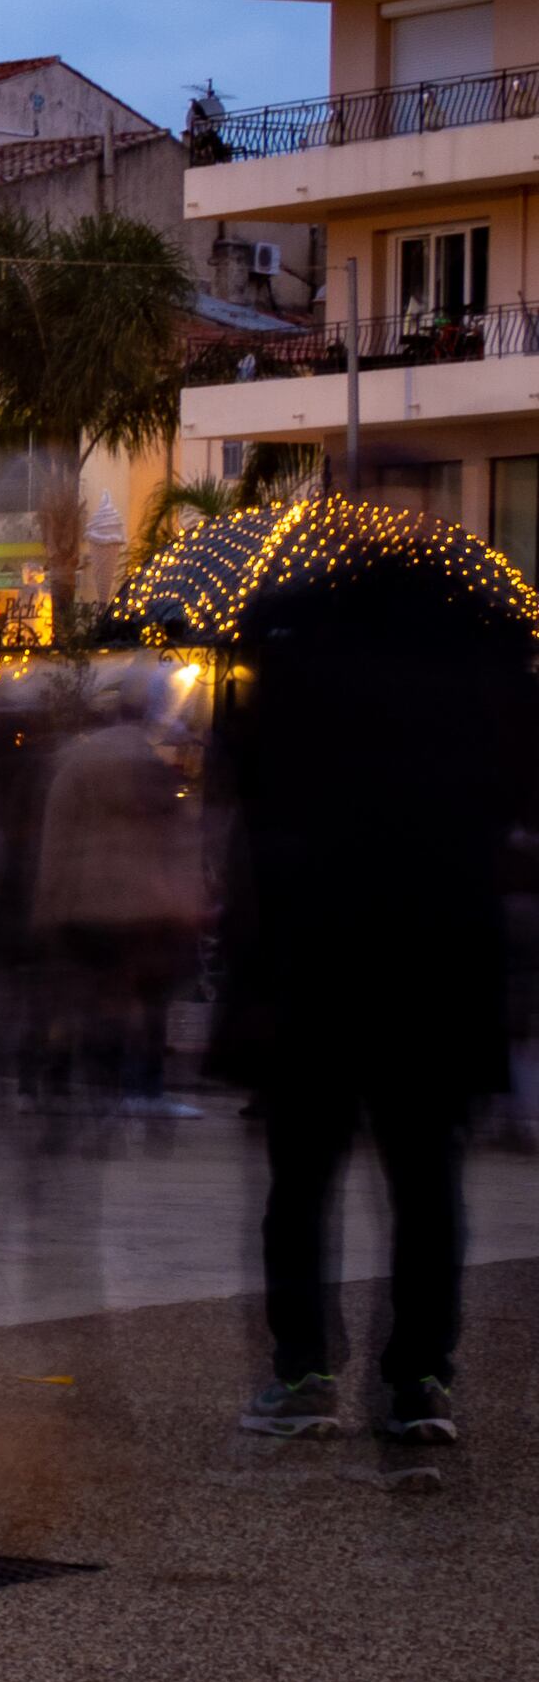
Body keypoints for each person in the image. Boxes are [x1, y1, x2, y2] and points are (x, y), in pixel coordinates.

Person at [210, 546, 527, 1461]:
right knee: (428, 1182)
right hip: (439, 968)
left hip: (315, 967)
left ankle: (304, 1370)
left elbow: (253, 821)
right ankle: (419, 1375)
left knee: (301, 1180)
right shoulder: (476, 680)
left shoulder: (294, 672)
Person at [27, 668, 201, 1137]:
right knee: (143, 1005)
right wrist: (187, 899)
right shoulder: (143, 765)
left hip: (83, 906)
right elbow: (170, 840)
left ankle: (84, 1086)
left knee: (91, 1001)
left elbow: (56, 838)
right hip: (139, 910)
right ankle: (139, 1088)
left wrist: (49, 903)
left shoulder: (75, 761)